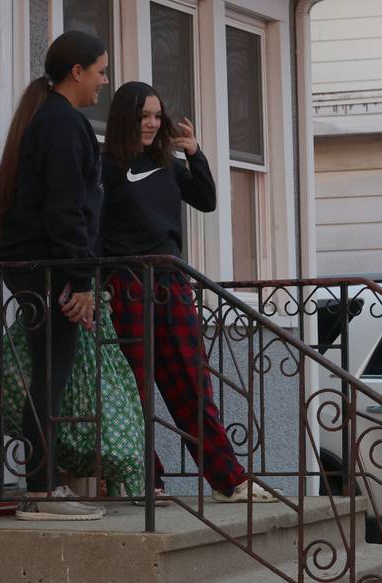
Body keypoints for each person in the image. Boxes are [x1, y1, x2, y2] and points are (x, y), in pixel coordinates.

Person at [100, 81, 275, 503]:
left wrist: (194, 153)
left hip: (171, 284)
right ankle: (143, 478)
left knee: (192, 384)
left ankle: (227, 480)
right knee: (132, 389)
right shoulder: (104, 165)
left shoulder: (169, 163)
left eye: (157, 116)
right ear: (126, 116)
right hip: (124, 285)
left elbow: (208, 200)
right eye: (144, 116)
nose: (152, 123)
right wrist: (96, 283)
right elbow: (94, 227)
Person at [0, 31, 109, 520]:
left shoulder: (54, 119)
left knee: (50, 372)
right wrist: (80, 281)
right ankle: (40, 490)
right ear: (76, 72)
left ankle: (43, 485)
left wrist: (80, 276)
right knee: (50, 375)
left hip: (42, 264)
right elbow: (65, 210)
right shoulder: (62, 124)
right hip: (46, 266)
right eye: (100, 70)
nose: (104, 80)